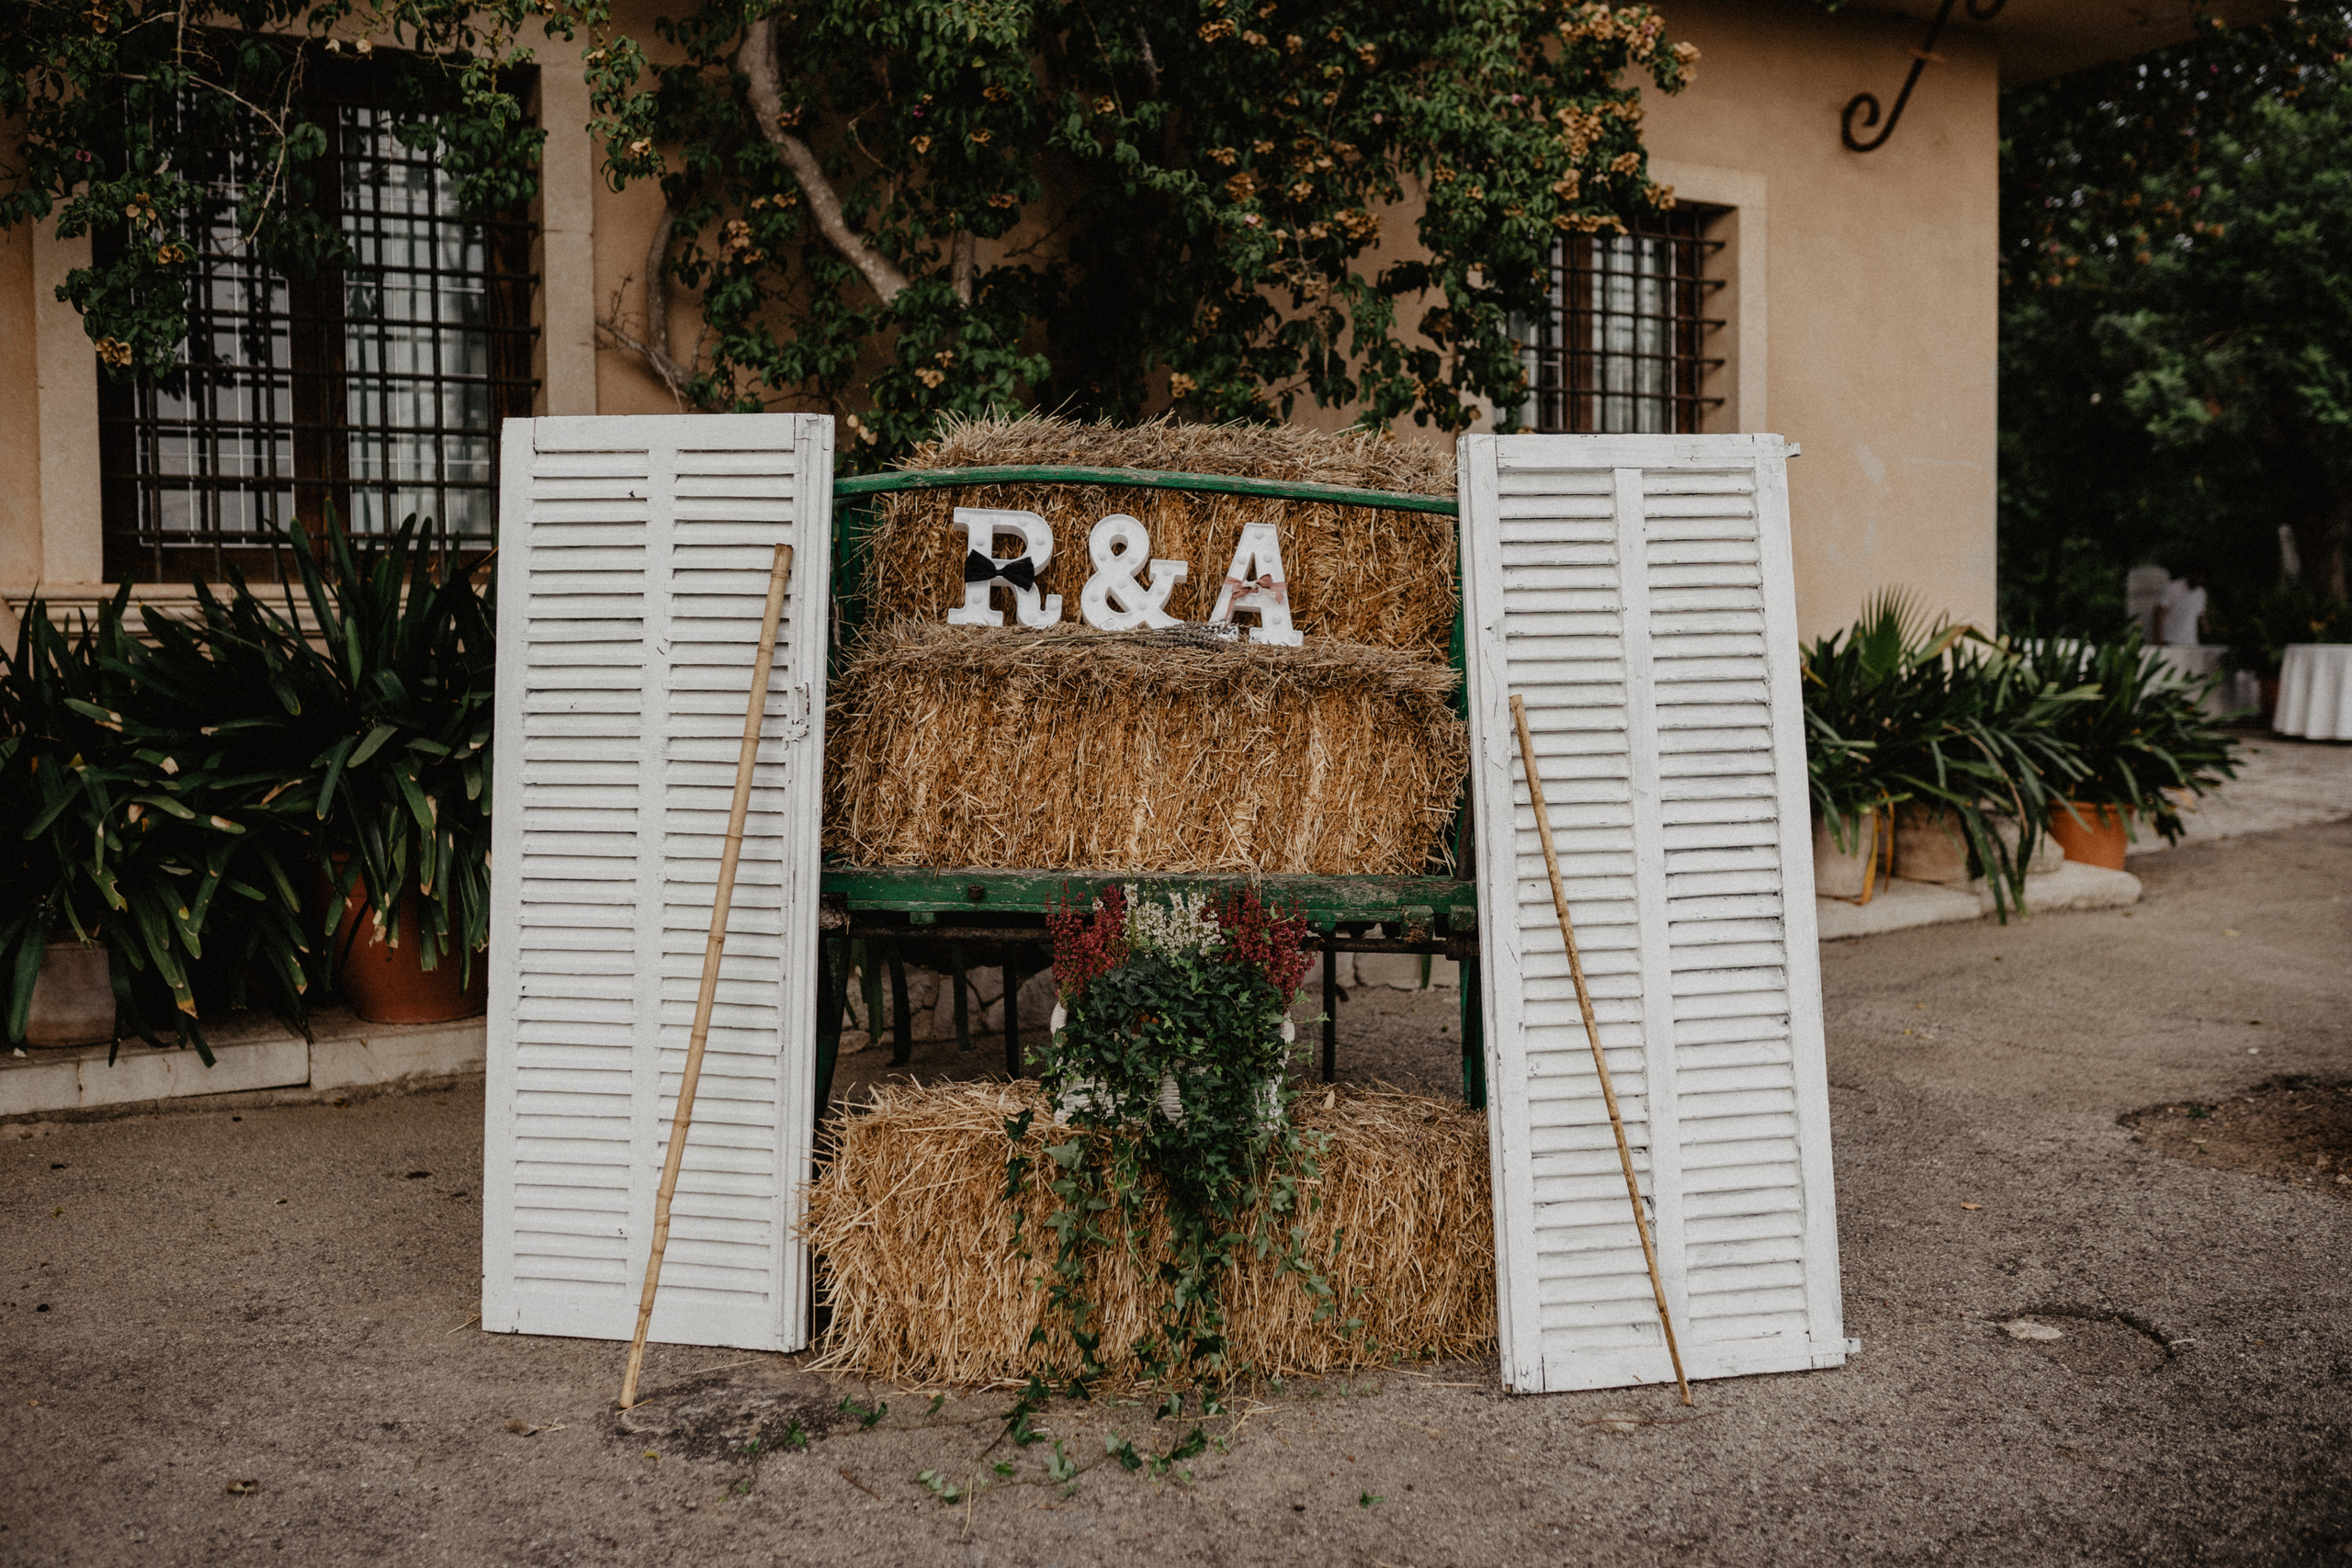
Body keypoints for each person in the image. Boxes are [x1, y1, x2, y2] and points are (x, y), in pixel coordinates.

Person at [2153, 572, 2208, 646]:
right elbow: (2159, 612)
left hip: (2191, 641)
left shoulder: (2201, 592)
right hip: (2170, 639)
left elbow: (2200, 613)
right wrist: (2158, 637)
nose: (2200, 580)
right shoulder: (2173, 588)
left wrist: (2204, 625)